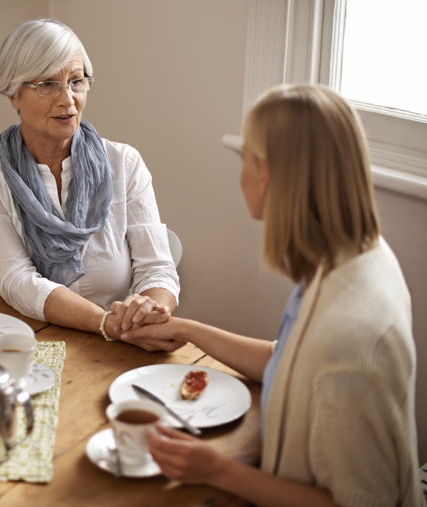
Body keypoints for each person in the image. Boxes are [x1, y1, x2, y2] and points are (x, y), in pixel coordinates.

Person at [119, 84, 425, 506]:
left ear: (265, 175)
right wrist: (187, 330)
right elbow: (293, 362)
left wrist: (217, 469)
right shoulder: (353, 256)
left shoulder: (351, 339)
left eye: (245, 157)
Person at [0, 19, 182, 351]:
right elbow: (18, 281)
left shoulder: (125, 162)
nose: (68, 99)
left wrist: (150, 311)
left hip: (124, 342)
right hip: (32, 343)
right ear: (13, 94)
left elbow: (158, 267)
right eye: (48, 84)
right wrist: (105, 324)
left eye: (76, 81)